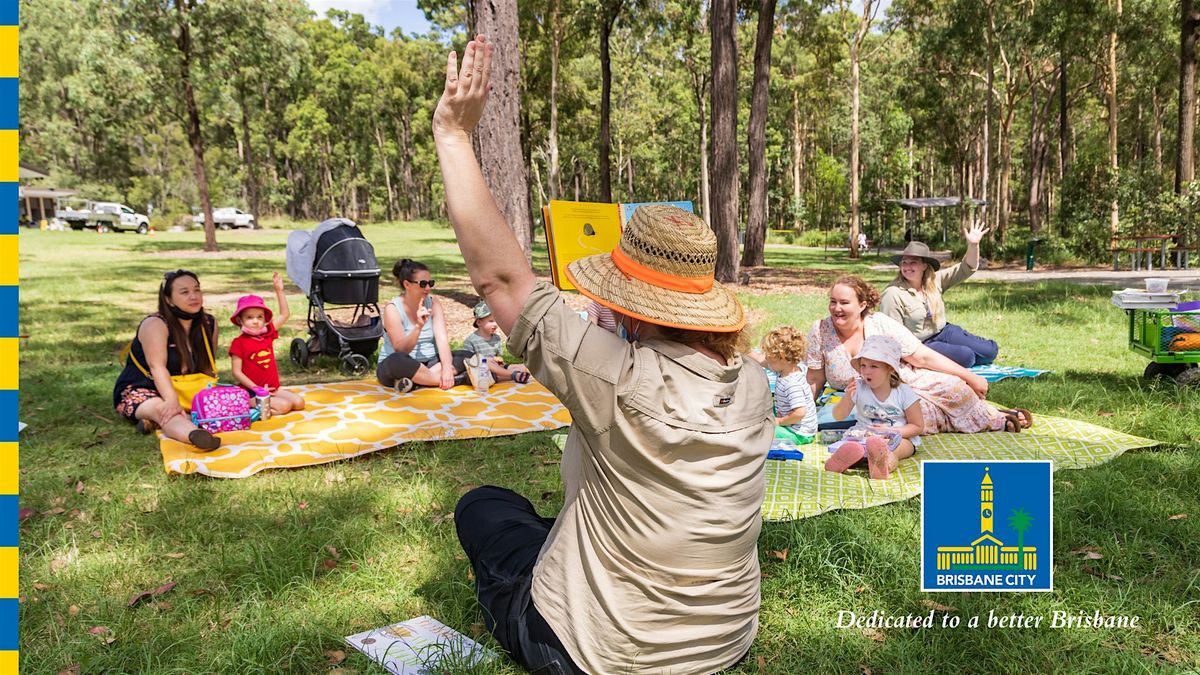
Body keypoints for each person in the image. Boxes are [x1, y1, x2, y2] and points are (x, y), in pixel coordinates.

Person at [434, 36, 774, 675]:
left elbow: (502, 283)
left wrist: (454, 137)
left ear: (631, 305)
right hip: (723, 644)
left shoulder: (613, 377)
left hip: (598, 655)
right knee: (553, 518)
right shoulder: (754, 382)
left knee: (484, 508)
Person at [807, 274, 1027, 435]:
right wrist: (804, 411)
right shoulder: (820, 330)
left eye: (844, 303)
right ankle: (992, 419)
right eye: (833, 302)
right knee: (911, 413)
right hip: (868, 397)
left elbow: (921, 356)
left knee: (956, 387)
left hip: (908, 379)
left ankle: (989, 415)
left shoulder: (880, 324)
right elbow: (815, 378)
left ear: (862, 304)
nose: (836, 308)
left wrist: (970, 377)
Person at [112, 269, 222, 451]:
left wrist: (211, 392)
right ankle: (196, 437)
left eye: (197, 290)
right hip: (144, 388)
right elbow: (157, 367)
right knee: (165, 411)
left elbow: (206, 366)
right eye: (184, 292)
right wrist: (171, 400)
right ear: (168, 299)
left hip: (185, 388)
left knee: (233, 402)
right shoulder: (156, 324)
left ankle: (152, 422)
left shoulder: (209, 323)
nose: (194, 296)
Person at [878, 223, 999, 368]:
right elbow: (891, 335)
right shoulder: (893, 293)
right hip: (921, 343)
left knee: (990, 351)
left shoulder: (935, 280)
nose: (907, 266)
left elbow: (967, 268)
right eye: (904, 262)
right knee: (966, 357)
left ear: (924, 266)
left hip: (944, 331)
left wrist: (973, 245)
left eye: (913, 262)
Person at [827, 335, 923, 479]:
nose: (866, 371)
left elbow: (917, 426)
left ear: (890, 369)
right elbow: (838, 415)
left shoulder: (903, 392)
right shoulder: (859, 388)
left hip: (897, 437)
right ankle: (847, 458)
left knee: (897, 449)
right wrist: (847, 396)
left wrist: (890, 431)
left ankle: (883, 463)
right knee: (857, 448)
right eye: (863, 365)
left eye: (873, 366)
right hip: (863, 436)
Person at [376, 258, 471, 393]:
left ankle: (418, 382)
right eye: (423, 284)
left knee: (467, 355)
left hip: (429, 363)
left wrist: (446, 368)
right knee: (396, 361)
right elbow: (401, 350)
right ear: (407, 284)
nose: (428, 288)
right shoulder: (393, 309)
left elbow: (442, 340)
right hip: (400, 364)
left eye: (430, 283)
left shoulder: (433, 303)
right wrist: (418, 327)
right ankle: (459, 379)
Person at [228, 272, 306, 415]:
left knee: (299, 403)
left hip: (272, 389)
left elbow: (284, 315)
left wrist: (279, 291)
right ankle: (247, 404)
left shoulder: (267, 333)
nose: (256, 321)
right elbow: (236, 372)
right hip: (252, 392)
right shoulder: (239, 343)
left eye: (259, 317)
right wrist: (256, 389)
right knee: (283, 407)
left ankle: (265, 403)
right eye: (249, 317)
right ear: (240, 320)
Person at [760, 326, 817, 445]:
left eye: (769, 356)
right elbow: (762, 361)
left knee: (762, 431)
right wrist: (744, 352)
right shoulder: (787, 369)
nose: (766, 358)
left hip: (799, 433)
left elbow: (800, 412)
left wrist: (780, 421)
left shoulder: (792, 384)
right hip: (789, 420)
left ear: (783, 358)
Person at [463, 300, 531, 384]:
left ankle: (516, 373)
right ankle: (513, 375)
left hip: (498, 368)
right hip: (482, 370)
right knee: (489, 374)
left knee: (519, 366)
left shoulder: (496, 338)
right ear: (479, 322)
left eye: (496, 321)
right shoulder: (471, 341)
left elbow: (499, 359)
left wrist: (499, 362)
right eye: (491, 321)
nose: (495, 324)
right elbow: (468, 361)